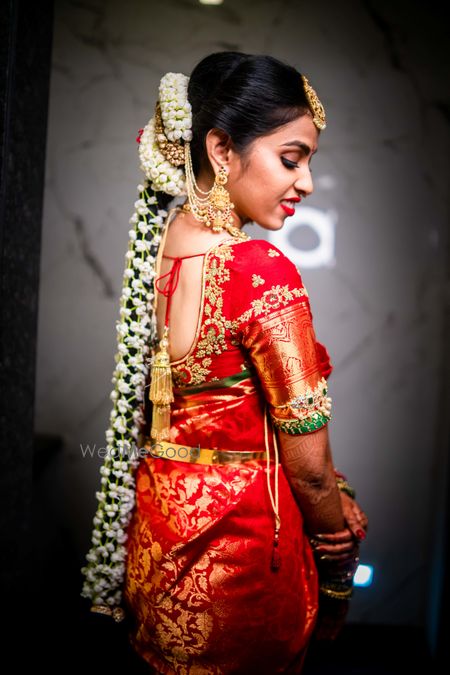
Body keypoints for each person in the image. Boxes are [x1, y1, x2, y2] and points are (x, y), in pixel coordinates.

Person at [82, 52, 368, 674]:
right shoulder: (258, 270)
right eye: (291, 159)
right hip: (241, 573)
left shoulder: (161, 249)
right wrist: (336, 544)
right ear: (220, 148)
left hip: (157, 555)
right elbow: (312, 469)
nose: (307, 183)